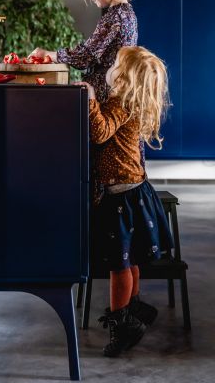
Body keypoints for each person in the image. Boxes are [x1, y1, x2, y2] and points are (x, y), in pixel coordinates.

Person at [81, 46, 174, 358]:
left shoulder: (121, 101)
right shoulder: (132, 101)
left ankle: (123, 323)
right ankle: (133, 308)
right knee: (129, 258)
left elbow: (100, 132)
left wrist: (91, 98)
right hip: (133, 190)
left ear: (126, 76)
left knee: (117, 264)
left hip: (120, 194)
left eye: (117, 65)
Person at [29, 0, 138, 103]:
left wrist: (50, 55)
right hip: (117, 94)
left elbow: (85, 57)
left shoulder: (115, 17)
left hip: (102, 98)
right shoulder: (128, 14)